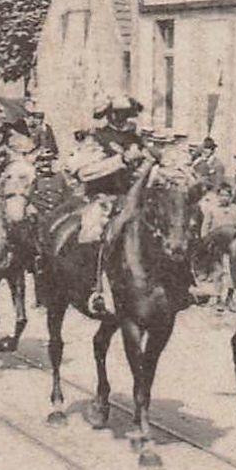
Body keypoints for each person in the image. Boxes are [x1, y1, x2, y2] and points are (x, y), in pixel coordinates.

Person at [72, 95, 153, 315]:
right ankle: (95, 287)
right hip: (102, 197)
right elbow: (83, 171)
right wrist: (120, 161)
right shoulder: (96, 138)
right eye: (118, 113)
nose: (122, 118)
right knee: (92, 231)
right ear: (109, 114)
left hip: (133, 199)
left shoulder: (136, 138)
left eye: (127, 113)